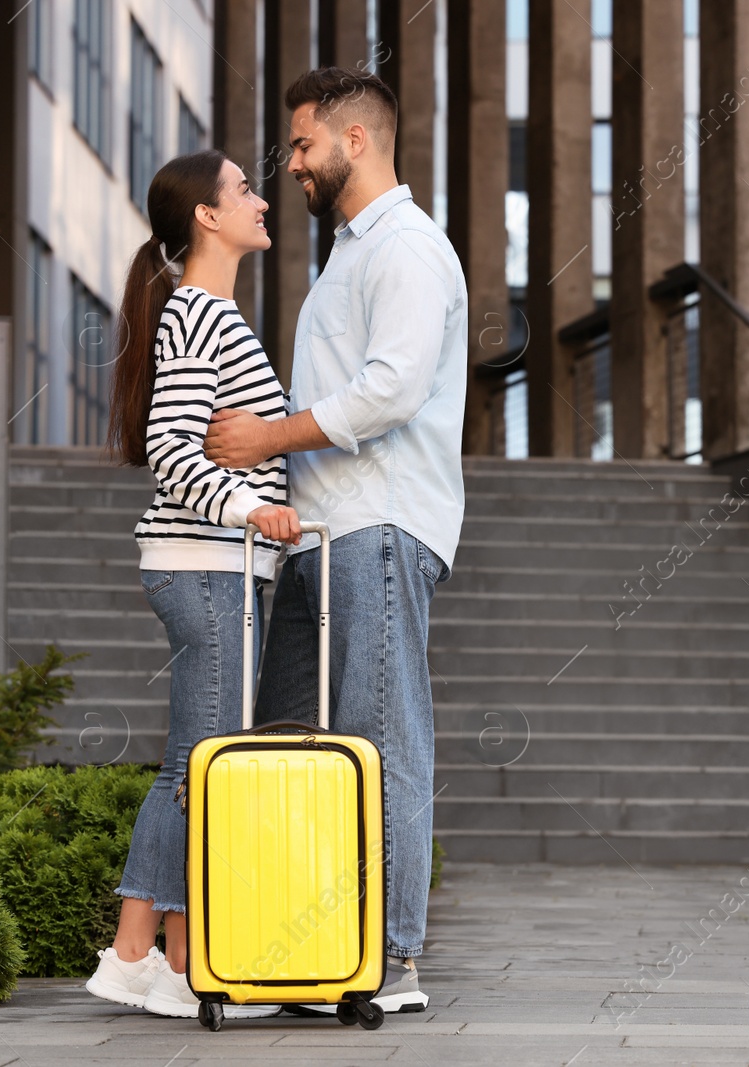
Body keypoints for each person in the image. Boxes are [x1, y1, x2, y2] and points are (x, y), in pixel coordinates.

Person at [203, 67, 468, 1015]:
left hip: (380, 523)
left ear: (356, 141)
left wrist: (267, 435)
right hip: (320, 533)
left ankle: (387, 960)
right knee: (288, 740)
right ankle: (304, 944)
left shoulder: (405, 248)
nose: (295, 167)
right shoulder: (350, 255)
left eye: (306, 146)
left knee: (381, 735)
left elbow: (392, 390)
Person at [85, 149, 302, 1019]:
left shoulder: (204, 313)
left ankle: (180, 958)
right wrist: (254, 510)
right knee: (197, 768)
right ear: (207, 218)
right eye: (244, 188)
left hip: (221, 572)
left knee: (200, 765)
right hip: (206, 565)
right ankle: (135, 953)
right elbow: (174, 449)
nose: (259, 199)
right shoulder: (199, 317)